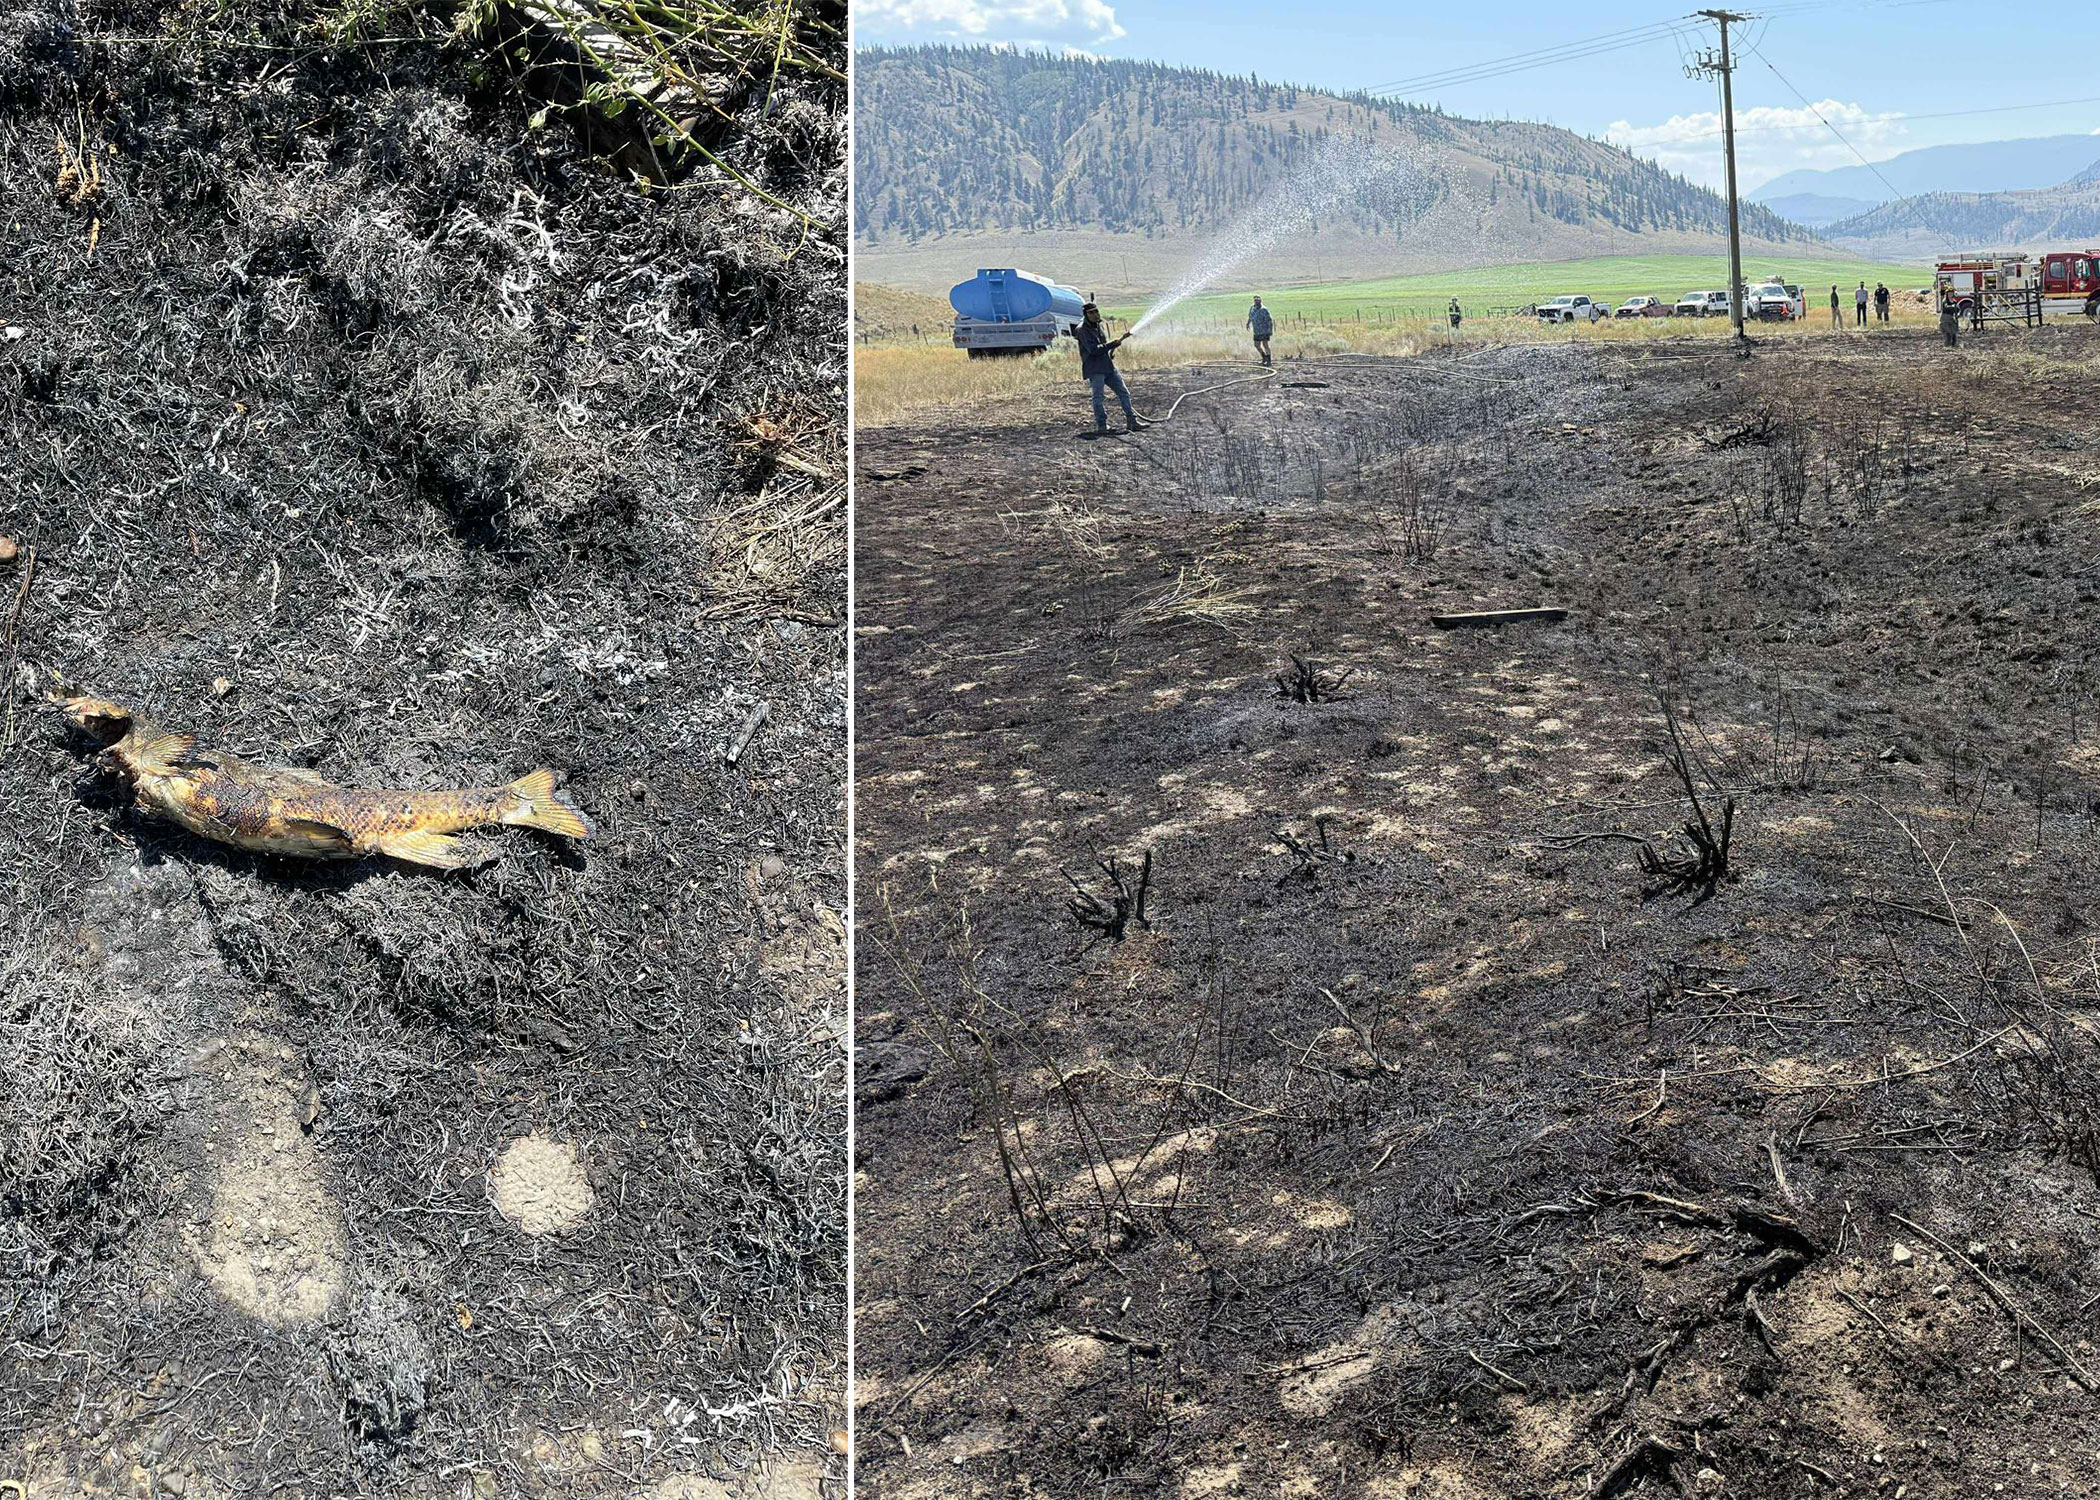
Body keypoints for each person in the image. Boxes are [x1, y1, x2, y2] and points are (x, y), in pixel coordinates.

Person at [1077, 302, 1145, 434]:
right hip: (1095, 369)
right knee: (1098, 397)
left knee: (1123, 392)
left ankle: (1132, 421)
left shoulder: (1098, 326)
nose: (1095, 314)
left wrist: (1112, 348)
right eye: (1091, 312)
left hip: (1108, 366)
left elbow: (1102, 347)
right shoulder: (1082, 330)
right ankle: (1101, 425)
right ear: (1085, 315)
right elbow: (1092, 350)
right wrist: (1111, 344)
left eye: (1096, 311)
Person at [1246, 296, 1274, 366]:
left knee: (1265, 345)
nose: (1257, 302)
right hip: (1256, 331)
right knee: (1256, 345)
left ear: (1261, 301)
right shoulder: (1252, 308)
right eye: (1255, 301)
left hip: (1264, 330)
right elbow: (1250, 316)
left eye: (1258, 301)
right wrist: (1248, 323)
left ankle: (1269, 361)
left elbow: (1269, 320)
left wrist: (1270, 330)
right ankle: (1264, 357)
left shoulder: (1264, 309)